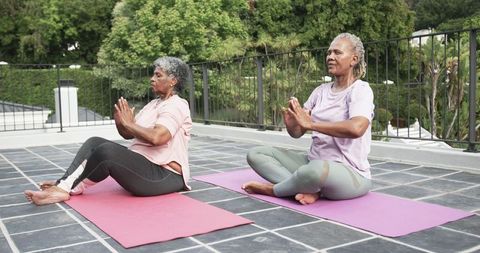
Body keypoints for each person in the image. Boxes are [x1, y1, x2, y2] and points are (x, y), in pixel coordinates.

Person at [25, 56, 193, 205]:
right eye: (153, 74)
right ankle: (63, 183)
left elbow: (158, 137)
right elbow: (128, 134)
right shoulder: (153, 105)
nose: (152, 79)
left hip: (164, 175)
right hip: (143, 167)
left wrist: (129, 124)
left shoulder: (176, 105)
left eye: (158, 75)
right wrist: (121, 122)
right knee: (95, 142)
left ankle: (64, 189)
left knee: (107, 152)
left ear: (173, 80)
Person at [242, 33, 374, 205]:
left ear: (353, 59)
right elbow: (298, 132)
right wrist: (292, 124)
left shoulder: (361, 90)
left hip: (350, 173)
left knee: (313, 171)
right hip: (313, 162)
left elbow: (356, 128)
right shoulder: (320, 91)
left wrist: (311, 124)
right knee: (256, 154)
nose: (330, 57)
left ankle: (275, 190)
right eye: (328, 53)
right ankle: (305, 188)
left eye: (337, 53)